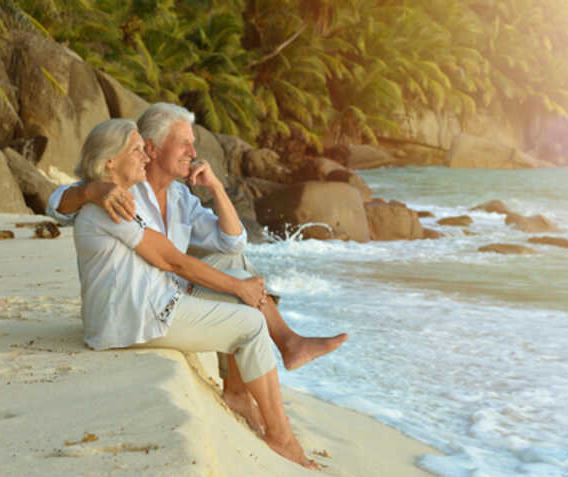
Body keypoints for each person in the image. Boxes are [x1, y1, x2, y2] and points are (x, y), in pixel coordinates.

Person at [47, 103, 347, 419]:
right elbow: (57, 204)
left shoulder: (180, 197)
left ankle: (261, 368)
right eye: (184, 143)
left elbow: (233, 241)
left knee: (234, 260)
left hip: (165, 292)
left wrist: (216, 187)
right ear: (152, 147)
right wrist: (91, 190)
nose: (193, 151)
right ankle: (275, 355)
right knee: (239, 291)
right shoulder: (121, 189)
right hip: (140, 305)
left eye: (194, 143)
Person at [72, 118, 317, 469]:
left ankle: (240, 394)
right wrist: (240, 287)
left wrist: (239, 284)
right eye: (137, 150)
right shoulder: (111, 205)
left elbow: (224, 244)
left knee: (238, 282)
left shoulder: (119, 198)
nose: (145, 157)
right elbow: (174, 261)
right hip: (134, 318)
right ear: (110, 162)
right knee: (249, 324)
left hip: (133, 309)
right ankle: (282, 438)